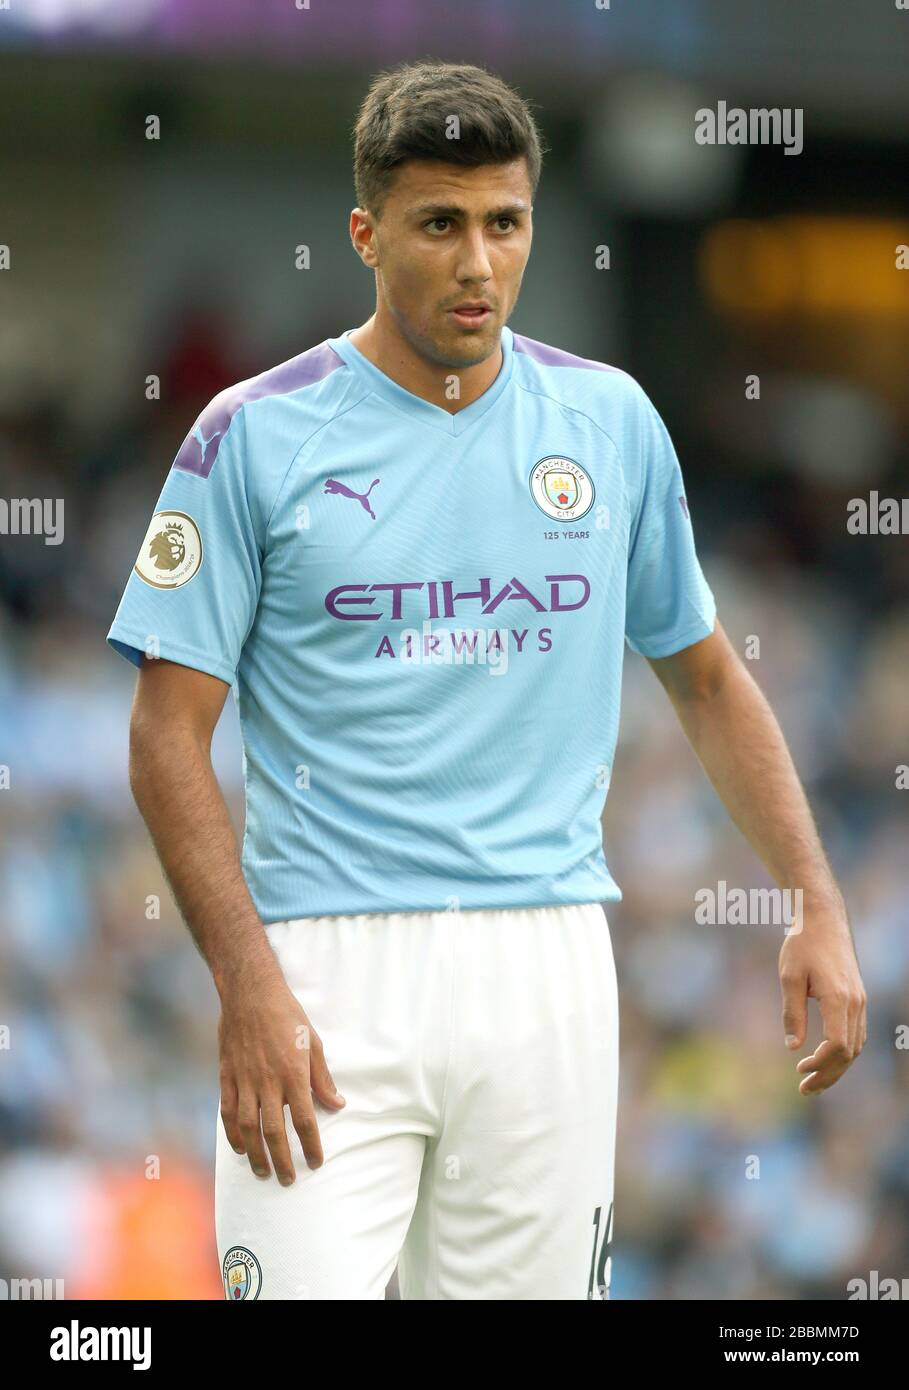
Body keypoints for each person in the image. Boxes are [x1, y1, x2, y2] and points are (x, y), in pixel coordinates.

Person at [107, 60, 866, 1301]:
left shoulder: (610, 422)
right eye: (439, 224)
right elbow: (163, 735)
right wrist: (244, 982)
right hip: (324, 969)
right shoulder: (249, 435)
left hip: (547, 960)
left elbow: (710, 682)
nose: (477, 262)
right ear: (367, 234)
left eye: (504, 223)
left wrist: (814, 898)